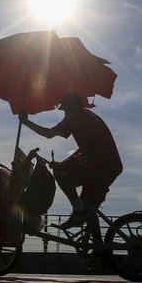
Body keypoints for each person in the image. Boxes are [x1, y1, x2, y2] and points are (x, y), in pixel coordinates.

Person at [19, 93, 123, 230]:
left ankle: (77, 208)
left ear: (70, 108)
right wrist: (64, 163)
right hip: (110, 165)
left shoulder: (74, 117)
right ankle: (100, 248)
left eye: (66, 110)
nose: (65, 113)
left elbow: (48, 134)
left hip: (99, 162)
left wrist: (26, 122)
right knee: (88, 208)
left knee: (59, 172)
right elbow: (87, 148)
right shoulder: (87, 115)